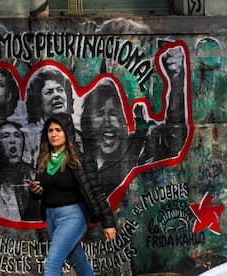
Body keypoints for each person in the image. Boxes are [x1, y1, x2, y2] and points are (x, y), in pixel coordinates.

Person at [80, 44, 189, 198]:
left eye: (113, 114)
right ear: (88, 123)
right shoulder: (79, 159)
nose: (107, 123)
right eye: (99, 114)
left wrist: (176, 83)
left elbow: (173, 140)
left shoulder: (138, 150)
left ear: (124, 121)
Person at [25, 114, 116, 275]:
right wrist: (36, 192)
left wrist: (108, 223)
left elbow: (96, 192)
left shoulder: (80, 160)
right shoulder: (44, 160)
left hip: (73, 216)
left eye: (58, 130)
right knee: (79, 264)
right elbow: (42, 193)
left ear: (67, 132)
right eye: (50, 130)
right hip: (52, 217)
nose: (53, 134)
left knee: (51, 265)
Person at [22, 66, 82, 166]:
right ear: (38, 100)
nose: (56, 95)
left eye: (60, 90)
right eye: (49, 92)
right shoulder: (27, 136)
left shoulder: (78, 135)